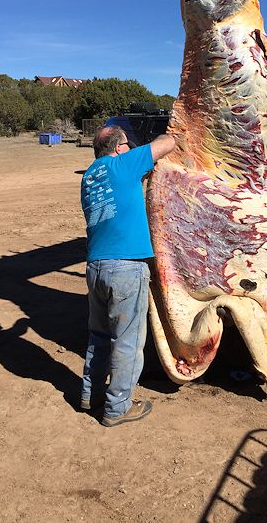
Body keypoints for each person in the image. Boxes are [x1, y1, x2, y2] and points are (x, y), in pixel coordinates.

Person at [80, 125, 175, 427]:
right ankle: (117, 407)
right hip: (125, 267)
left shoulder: (89, 176)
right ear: (121, 148)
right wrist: (154, 139)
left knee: (99, 335)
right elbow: (168, 142)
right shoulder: (123, 164)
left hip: (96, 266)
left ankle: (89, 394)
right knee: (127, 340)